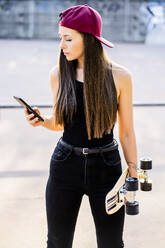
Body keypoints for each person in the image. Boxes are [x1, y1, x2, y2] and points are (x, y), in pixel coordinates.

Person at [24, 4, 138, 248]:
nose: (61, 45)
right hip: (65, 165)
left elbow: (126, 132)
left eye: (68, 38)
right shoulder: (58, 74)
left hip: (107, 169)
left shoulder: (120, 77)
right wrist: (41, 120)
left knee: (111, 244)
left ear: (88, 39)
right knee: (57, 243)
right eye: (60, 38)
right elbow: (59, 123)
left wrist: (132, 173)